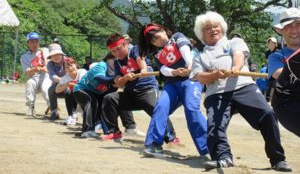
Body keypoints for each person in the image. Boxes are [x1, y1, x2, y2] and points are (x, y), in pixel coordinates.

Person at [190, 11, 291, 171]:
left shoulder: (234, 42)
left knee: (268, 114)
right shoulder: (199, 56)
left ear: (222, 28)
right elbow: (199, 76)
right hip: (216, 94)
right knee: (214, 126)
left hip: (243, 87)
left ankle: (277, 159)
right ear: (202, 34)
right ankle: (223, 158)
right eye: (207, 28)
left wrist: (236, 68)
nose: (213, 30)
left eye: (215, 26)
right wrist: (215, 74)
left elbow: (239, 55)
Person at [138, 23, 208, 157]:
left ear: (163, 31)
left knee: (191, 109)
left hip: (191, 79)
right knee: (160, 106)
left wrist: (189, 64)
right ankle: (154, 144)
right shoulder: (157, 54)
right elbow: (163, 70)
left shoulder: (177, 37)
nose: (156, 41)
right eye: (153, 41)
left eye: (156, 36)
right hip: (172, 83)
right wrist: (175, 72)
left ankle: (208, 148)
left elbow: (184, 49)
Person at [101, 33, 176, 141]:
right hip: (130, 94)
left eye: (119, 49)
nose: (117, 53)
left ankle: (171, 137)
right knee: (109, 98)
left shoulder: (135, 50)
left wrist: (143, 70)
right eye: (113, 51)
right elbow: (118, 82)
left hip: (146, 90)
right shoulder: (117, 62)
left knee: (155, 108)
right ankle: (114, 132)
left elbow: (140, 60)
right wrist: (125, 78)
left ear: (125, 44)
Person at [268, 7, 300, 137]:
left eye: (298, 25)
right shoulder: (276, 57)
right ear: (281, 31)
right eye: (288, 26)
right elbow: (282, 75)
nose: (294, 30)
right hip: (289, 107)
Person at [20, 32, 52, 116]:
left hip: (46, 76)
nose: (35, 43)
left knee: (45, 88)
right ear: (28, 43)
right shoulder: (24, 57)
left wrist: (46, 66)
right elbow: (27, 73)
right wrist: (35, 69)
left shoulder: (45, 50)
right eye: (32, 41)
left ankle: (53, 108)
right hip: (35, 78)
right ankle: (31, 107)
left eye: (36, 41)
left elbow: (50, 63)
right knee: (29, 83)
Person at [55, 57, 87, 125]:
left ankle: (87, 114)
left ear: (76, 65)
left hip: (86, 97)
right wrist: (66, 85)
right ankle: (72, 115)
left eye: (71, 65)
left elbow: (82, 85)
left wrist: (73, 84)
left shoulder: (82, 72)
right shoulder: (66, 77)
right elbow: (56, 90)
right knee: (68, 92)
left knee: (75, 91)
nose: (70, 68)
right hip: (75, 99)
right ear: (65, 69)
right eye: (67, 67)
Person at [47, 43, 67, 120]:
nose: (55, 57)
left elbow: (73, 74)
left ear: (62, 54)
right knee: (51, 89)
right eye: (53, 55)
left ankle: (72, 113)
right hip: (58, 86)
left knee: (69, 91)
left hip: (69, 85)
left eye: (58, 54)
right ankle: (54, 111)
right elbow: (53, 76)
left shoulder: (68, 61)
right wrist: (62, 81)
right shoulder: (49, 64)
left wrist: (66, 82)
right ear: (50, 56)